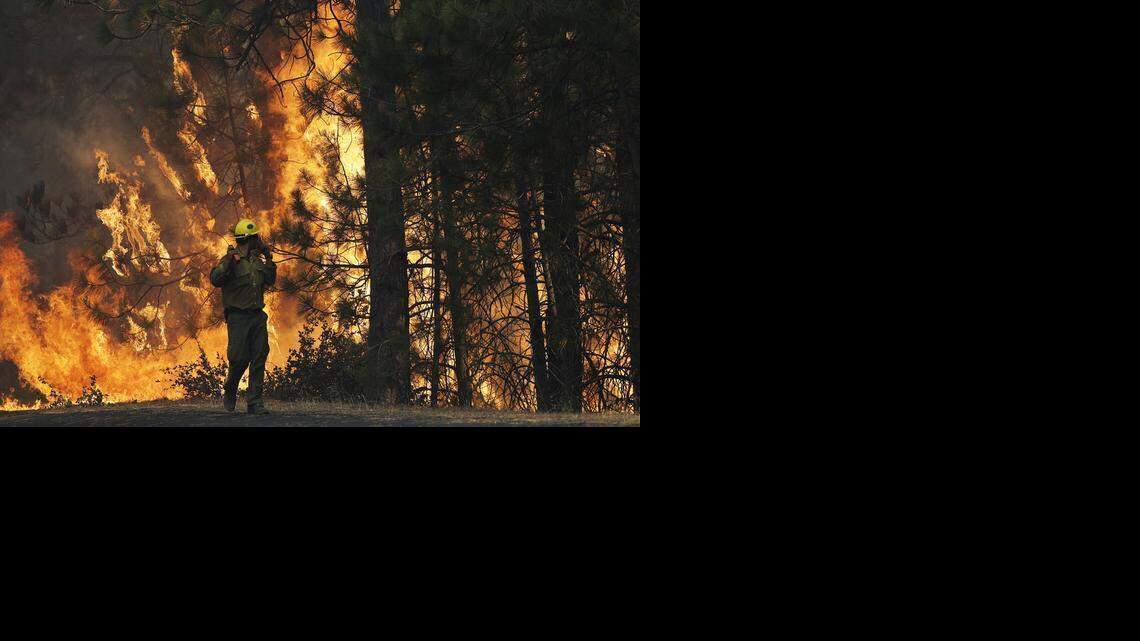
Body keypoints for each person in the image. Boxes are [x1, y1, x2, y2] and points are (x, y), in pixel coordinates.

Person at [209, 219, 277, 415]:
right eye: (257, 238)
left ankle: (255, 402)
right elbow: (215, 280)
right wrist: (229, 262)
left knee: (259, 356)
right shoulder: (230, 260)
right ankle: (230, 388)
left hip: (257, 316)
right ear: (251, 239)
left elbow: (270, 279)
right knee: (239, 359)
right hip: (238, 317)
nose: (259, 241)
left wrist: (268, 257)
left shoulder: (257, 262)